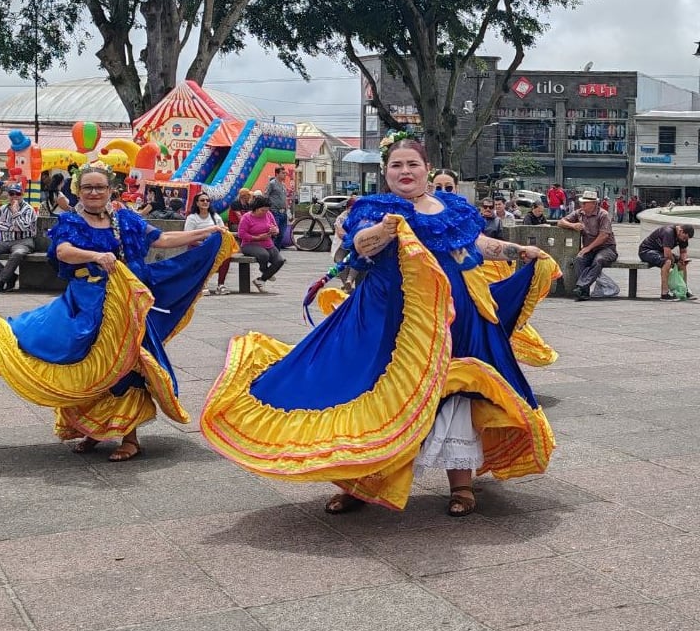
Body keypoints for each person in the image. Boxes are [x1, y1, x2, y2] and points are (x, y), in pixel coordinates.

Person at [200, 131, 556, 516]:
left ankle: (462, 485)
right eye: (396, 165)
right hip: (388, 318)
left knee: (455, 393)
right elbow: (361, 244)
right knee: (365, 391)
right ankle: (358, 481)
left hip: (454, 315)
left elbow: (475, 245)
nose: (405, 171)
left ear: (427, 169)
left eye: (412, 164)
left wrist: (518, 250)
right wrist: (385, 230)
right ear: (386, 173)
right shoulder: (374, 208)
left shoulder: (451, 207)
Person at [0, 165, 233, 460]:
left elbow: (161, 240)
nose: (94, 192)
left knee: (128, 365)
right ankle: (93, 430)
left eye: (100, 187)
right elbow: (63, 251)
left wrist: (208, 231)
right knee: (79, 360)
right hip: (87, 303)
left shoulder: (125, 217)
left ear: (110, 190)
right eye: (87, 187)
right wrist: (95, 256)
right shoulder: (70, 221)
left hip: (127, 303)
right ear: (78, 191)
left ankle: (130, 438)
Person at [557, 189, 617, 301]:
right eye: (582, 202)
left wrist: (588, 248)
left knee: (598, 260)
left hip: (606, 248)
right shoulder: (579, 213)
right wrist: (572, 225)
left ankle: (581, 287)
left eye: (585, 203)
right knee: (579, 259)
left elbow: (604, 235)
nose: (582, 205)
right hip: (589, 249)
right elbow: (561, 222)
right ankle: (583, 292)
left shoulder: (603, 214)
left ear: (594, 203)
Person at [0, 183, 37, 292]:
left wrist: (15, 212)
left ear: (22, 195)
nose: (15, 196)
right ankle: (10, 276)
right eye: (12, 193)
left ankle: (1, 280)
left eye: (18, 194)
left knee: (17, 254)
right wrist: (12, 228)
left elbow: (23, 227)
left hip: (23, 241)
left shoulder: (28, 209)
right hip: (5, 240)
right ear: (8, 195)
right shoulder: (3, 209)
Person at [186, 192, 231, 295]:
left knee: (226, 256)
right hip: (197, 246)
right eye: (202, 200)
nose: (205, 202)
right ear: (197, 203)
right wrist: (203, 244)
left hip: (214, 246)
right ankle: (202, 284)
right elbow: (188, 237)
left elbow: (224, 230)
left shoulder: (215, 216)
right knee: (203, 256)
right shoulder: (192, 218)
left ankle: (221, 285)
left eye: (207, 200)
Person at [237, 196, 285, 290]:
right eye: (262, 210)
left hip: (267, 243)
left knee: (279, 261)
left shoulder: (268, 214)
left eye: (266, 210)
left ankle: (261, 280)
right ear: (255, 208)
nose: (264, 213)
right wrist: (257, 237)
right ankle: (265, 270)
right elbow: (241, 234)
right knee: (264, 255)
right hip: (249, 244)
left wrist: (275, 230)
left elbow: (275, 226)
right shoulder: (246, 217)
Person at [639, 223, 696, 300]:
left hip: (660, 252)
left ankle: (683, 289)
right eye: (684, 238)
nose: (684, 240)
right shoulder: (668, 232)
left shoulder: (683, 236)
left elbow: (683, 252)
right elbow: (667, 254)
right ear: (681, 231)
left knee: (682, 263)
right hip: (646, 251)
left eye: (686, 239)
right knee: (667, 262)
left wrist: (683, 260)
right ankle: (664, 293)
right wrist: (673, 264)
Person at [265, 166, 290, 245]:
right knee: (275, 233)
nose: (284, 175)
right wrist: (267, 209)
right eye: (282, 173)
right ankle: (272, 251)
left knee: (281, 234)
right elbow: (266, 195)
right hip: (274, 212)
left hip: (283, 213)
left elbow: (284, 198)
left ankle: (277, 252)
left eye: (285, 173)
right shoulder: (272, 183)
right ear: (277, 173)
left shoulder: (283, 185)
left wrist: (288, 211)